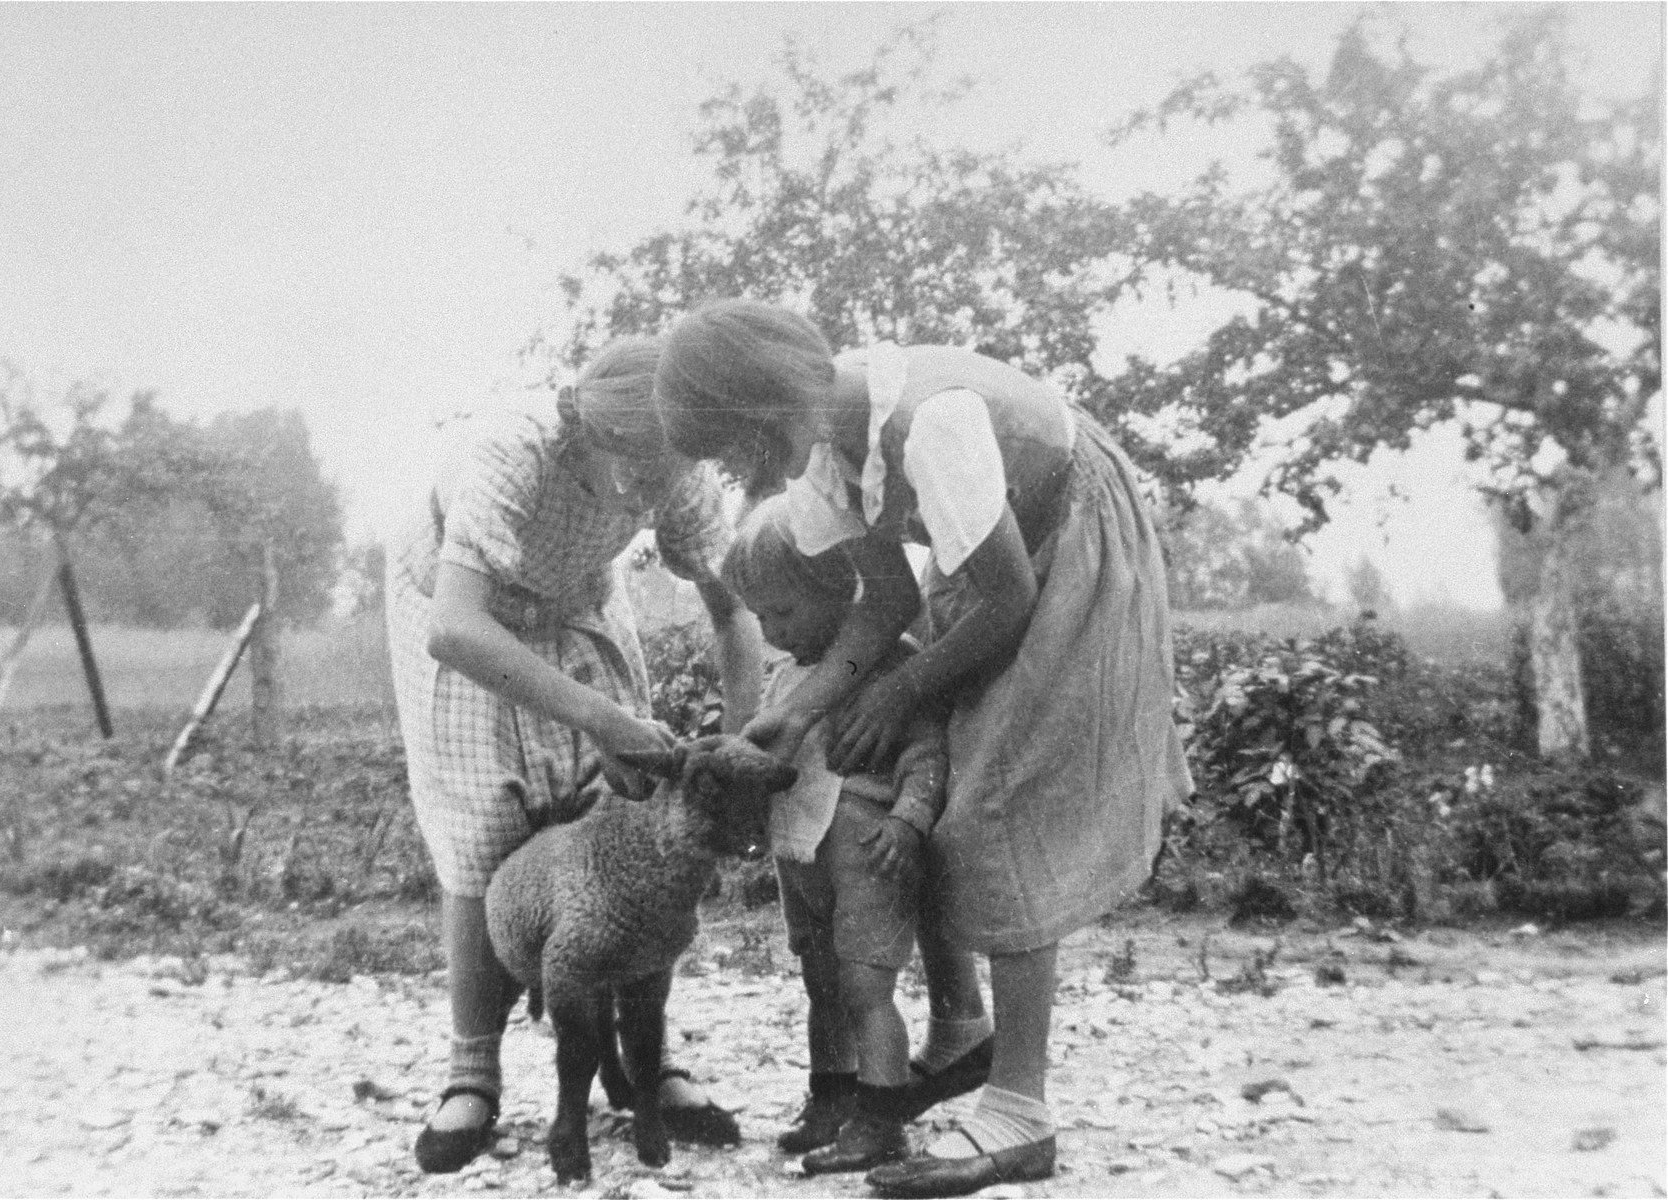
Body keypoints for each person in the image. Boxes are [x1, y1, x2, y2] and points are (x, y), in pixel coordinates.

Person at [655, 300, 1193, 1198]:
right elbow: (885, 599)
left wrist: (902, 688)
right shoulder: (830, 453)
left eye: (730, 445)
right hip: (991, 564)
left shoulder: (930, 422)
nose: (736, 471)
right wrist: (807, 710)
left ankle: (1020, 1114)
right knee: (950, 793)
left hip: (1066, 541)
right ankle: (960, 1040)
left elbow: (1009, 597)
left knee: (1002, 800)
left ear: (766, 399)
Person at [385, 336, 762, 1174]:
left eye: (660, 473)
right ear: (579, 431)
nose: (640, 492)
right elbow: (456, 628)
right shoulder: (509, 454)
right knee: (485, 820)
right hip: (461, 616)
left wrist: (734, 742)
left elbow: (735, 615)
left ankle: (646, 1060)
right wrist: (599, 715)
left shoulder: (681, 470)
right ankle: (472, 1072)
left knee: (623, 802)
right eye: (624, 468)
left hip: (576, 602)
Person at [721, 495, 986, 1176]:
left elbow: (925, 754)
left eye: (782, 611)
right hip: (802, 857)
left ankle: (882, 1120)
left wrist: (907, 819)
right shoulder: (786, 675)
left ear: (838, 587)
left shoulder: (885, 662)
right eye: (759, 618)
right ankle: (831, 1096)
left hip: (866, 854)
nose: (772, 632)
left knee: (867, 989)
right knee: (821, 984)